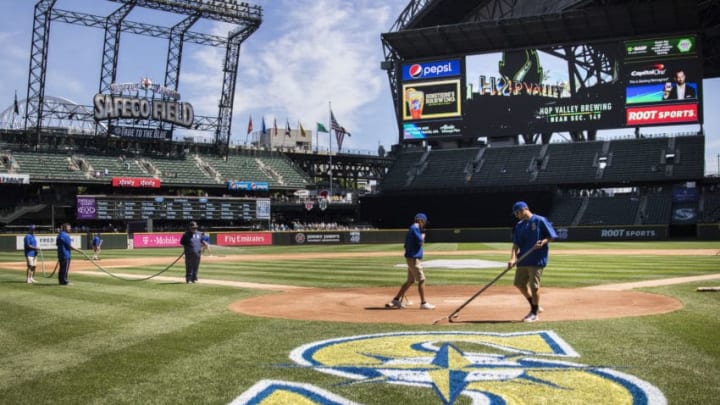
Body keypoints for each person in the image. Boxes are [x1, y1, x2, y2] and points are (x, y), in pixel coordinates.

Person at [508, 201, 558, 323]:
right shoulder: (519, 225)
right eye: (515, 213)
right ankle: (534, 305)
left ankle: (534, 313)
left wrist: (543, 242)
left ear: (525, 209)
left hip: (537, 259)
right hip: (523, 259)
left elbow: (551, 236)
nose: (516, 215)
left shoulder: (540, 220)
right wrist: (513, 258)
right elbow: (516, 245)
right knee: (519, 284)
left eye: (517, 212)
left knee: (534, 287)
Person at [386, 213, 435, 310]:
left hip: (410, 258)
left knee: (410, 281)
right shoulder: (415, 228)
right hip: (413, 259)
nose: (424, 224)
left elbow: (405, 245)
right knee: (421, 280)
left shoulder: (411, 229)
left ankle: (396, 299)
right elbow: (421, 242)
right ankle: (423, 303)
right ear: (421, 220)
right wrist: (423, 236)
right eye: (424, 222)